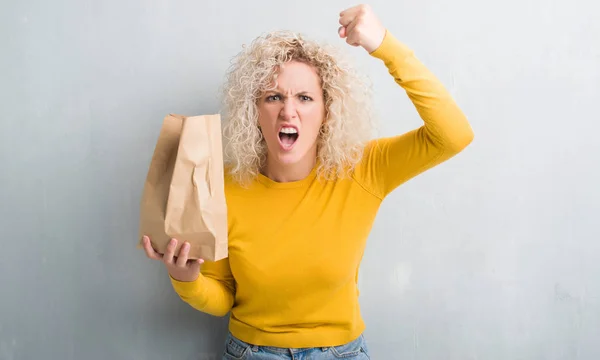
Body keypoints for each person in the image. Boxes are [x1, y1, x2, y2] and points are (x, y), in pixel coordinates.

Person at [143, 3, 474, 359]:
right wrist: (187, 281)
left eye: (304, 97)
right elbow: (223, 296)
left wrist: (383, 45)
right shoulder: (223, 188)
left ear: (326, 111)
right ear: (254, 112)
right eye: (273, 97)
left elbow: (453, 135)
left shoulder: (363, 170)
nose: (289, 111)